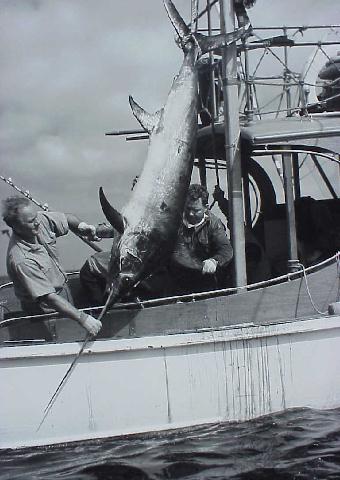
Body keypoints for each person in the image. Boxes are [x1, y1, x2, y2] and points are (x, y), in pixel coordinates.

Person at [2, 196, 107, 339]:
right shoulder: (21, 260)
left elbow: (66, 219)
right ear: (15, 226)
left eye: (35, 217)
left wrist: (84, 227)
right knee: (63, 335)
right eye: (31, 222)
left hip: (64, 292)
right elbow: (49, 297)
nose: (37, 223)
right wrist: (83, 319)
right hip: (47, 312)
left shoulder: (38, 220)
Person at [169, 184, 233, 295]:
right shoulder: (174, 221)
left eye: (196, 210)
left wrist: (214, 261)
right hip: (175, 282)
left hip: (204, 282)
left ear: (206, 208)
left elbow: (226, 250)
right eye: (188, 208)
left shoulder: (214, 224)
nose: (190, 214)